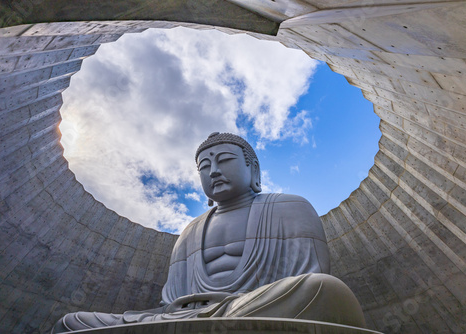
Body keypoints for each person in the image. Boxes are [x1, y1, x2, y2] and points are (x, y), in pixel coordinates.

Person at [52, 132, 365, 333]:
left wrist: (234, 303)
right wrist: (185, 313)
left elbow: (304, 274)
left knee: (324, 289)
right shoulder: (191, 230)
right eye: (204, 166)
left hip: (252, 307)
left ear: (253, 170)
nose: (214, 170)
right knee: (74, 322)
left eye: (225, 160)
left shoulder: (289, 206)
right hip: (187, 320)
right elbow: (172, 302)